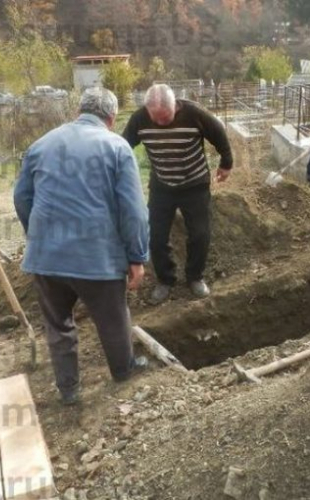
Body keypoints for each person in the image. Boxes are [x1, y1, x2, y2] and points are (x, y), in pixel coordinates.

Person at [14, 87, 150, 405]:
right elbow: (134, 210)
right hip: (96, 257)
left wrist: (37, 235)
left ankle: (69, 389)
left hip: (46, 257)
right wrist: (137, 256)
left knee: (58, 325)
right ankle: (123, 370)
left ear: (79, 111)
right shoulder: (116, 146)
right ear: (112, 118)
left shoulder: (41, 144)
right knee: (113, 318)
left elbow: (21, 197)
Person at [123, 83, 233, 304]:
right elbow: (123, 146)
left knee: (199, 234)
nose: (162, 122)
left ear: (176, 106)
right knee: (155, 236)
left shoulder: (195, 114)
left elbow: (219, 133)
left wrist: (226, 163)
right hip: (162, 186)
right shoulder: (139, 119)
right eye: (157, 118)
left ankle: (195, 277)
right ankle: (165, 280)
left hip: (195, 184)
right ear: (148, 111)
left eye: (167, 117)